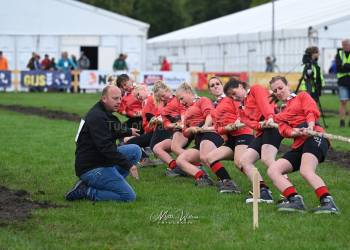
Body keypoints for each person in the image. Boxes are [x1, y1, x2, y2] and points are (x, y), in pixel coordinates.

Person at [267, 76, 339, 214]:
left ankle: (328, 202)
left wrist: (310, 126)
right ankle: (295, 200)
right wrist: (294, 132)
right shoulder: (281, 113)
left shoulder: (302, 96)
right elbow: (284, 130)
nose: (279, 91)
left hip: (315, 136)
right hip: (299, 143)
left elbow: (310, 111)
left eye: (281, 87)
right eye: (275, 90)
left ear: (288, 86)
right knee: (273, 170)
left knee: (306, 170)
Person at [65, 85, 142, 202]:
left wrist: (129, 131)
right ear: (104, 98)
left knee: (134, 150)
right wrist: (128, 165)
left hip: (101, 159)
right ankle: (85, 190)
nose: (119, 102)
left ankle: (111, 183)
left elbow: (112, 127)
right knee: (128, 197)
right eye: (115, 98)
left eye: (120, 98)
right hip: (92, 167)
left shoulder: (103, 111)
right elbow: (105, 148)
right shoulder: (97, 116)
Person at [225, 78, 283, 203]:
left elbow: (265, 104)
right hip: (263, 131)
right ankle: (263, 192)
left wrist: (270, 117)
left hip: (274, 126)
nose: (234, 97)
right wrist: (260, 125)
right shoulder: (241, 108)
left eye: (234, 93)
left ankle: (290, 194)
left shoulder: (256, 89)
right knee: (244, 161)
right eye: (231, 96)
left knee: (267, 159)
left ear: (241, 86)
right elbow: (250, 123)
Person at [204, 77, 254, 193]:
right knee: (209, 158)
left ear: (222, 86)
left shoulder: (231, 98)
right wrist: (226, 128)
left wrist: (236, 122)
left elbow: (242, 112)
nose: (215, 86)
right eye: (212, 85)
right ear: (210, 91)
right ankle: (228, 183)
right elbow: (218, 128)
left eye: (217, 83)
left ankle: (262, 188)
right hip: (231, 138)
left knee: (239, 162)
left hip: (243, 134)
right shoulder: (214, 106)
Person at [176, 82, 227, 187]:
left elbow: (210, 114)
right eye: (179, 100)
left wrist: (204, 127)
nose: (181, 103)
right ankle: (202, 177)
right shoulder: (186, 111)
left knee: (205, 156)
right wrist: (191, 129)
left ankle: (227, 181)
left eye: (181, 98)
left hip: (210, 133)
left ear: (188, 92)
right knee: (180, 160)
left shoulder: (202, 100)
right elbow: (185, 132)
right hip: (200, 138)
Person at [336, 39, 350, 127]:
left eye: (346, 44)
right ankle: (342, 121)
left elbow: (343, 66)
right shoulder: (339, 54)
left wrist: (345, 66)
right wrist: (346, 66)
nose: (344, 46)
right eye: (343, 45)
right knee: (343, 102)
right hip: (342, 81)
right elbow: (338, 67)